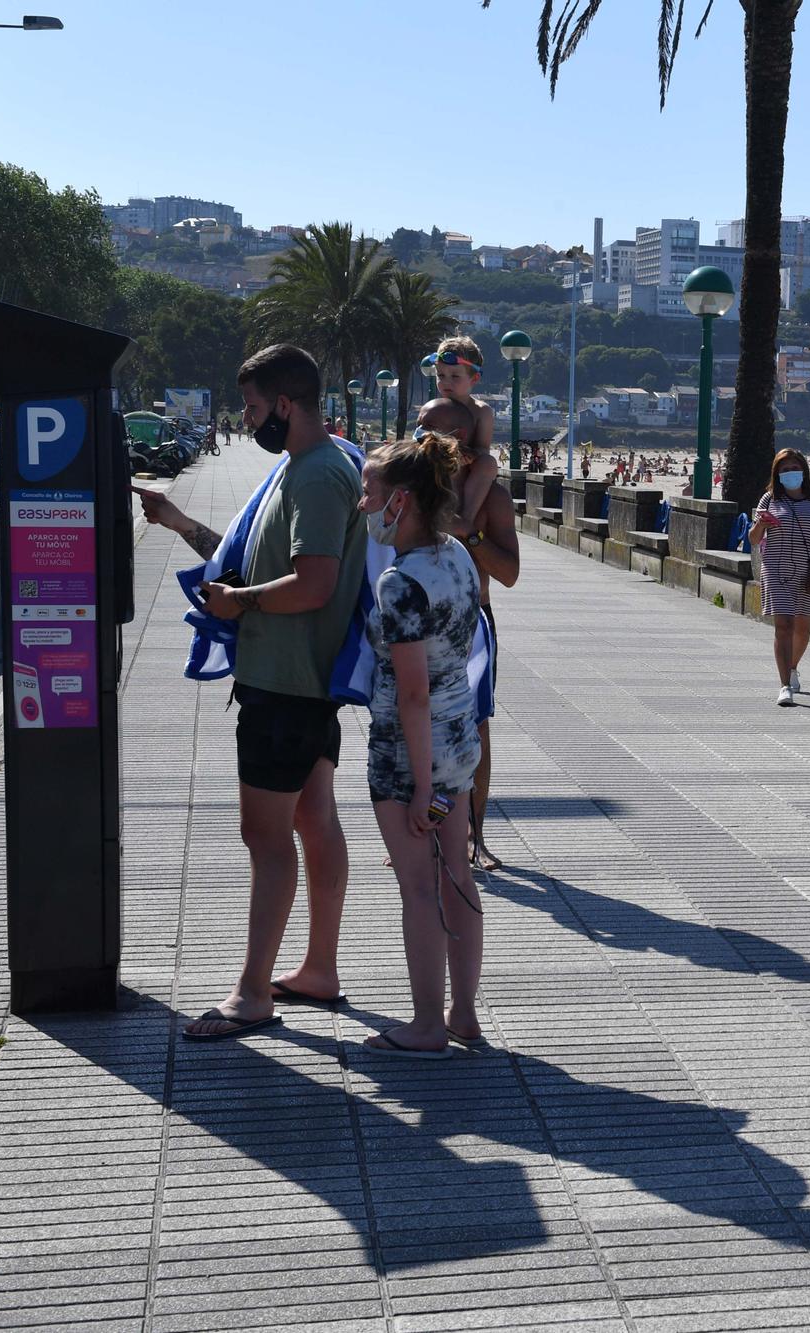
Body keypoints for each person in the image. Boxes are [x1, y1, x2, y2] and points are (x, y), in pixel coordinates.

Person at [136, 344, 368, 1041]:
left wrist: (245, 605)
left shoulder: (317, 475)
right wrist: (178, 522)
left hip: (286, 686)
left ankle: (251, 994)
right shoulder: (304, 468)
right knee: (313, 821)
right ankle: (319, 969)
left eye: (254, 406)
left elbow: (315, 583)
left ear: (286, 405)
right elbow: (245, 569)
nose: (247, 417)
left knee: (265, 836)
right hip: (300, 683)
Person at [357, 432, 484, 1058]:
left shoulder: (400, 583)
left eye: (369, 492)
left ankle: (426, 1025)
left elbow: (410, 694)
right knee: (456, 872)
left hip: (413, 758)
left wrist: (421, 786)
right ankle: (463, 1014)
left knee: (417, 887)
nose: (363, 504)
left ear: (399, 501)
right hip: (460, 740)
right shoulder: (457, 555)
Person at [423, 398, 520, 873]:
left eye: (428, 428)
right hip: (416, 622)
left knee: (474, 729)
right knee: (414, 724)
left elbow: (510, 574)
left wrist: (472, 535)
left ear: (456, 440)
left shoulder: (492, 498)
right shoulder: (407, 488)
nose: (417, 435)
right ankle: (424, 828)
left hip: (471, 620)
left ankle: (474, 835)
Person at [751, 448, 810, 706]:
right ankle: (784, 685)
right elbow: (754, 539)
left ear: (804, 471)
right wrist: (761, 525)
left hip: (807, 570)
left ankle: (793, 667)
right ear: (777, 474)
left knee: (802, 628)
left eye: (794, 468)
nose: (790, 473)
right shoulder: (769, 500)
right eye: (785, 470)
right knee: (784, 626)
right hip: (776, 568)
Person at [430, 337, 498, 528]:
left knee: (488, 463)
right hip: (438, 469)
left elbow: (483, 449)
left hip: (466, 471)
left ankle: (465, 519)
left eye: (455, 376)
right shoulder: (434, 409)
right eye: (440, 375)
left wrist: (471, 455)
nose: (446, 382)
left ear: (474, 378)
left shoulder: (481, 411)